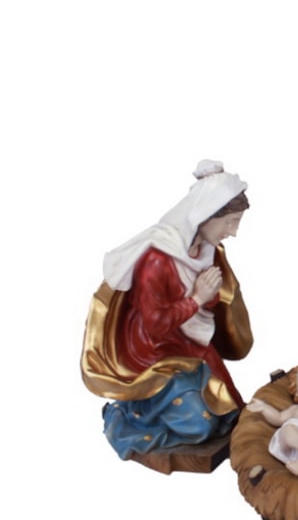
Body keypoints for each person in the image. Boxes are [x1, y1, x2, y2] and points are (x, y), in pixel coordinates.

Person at [81, 159, 253, 459]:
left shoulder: (208, 250)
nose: (233, 231)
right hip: (152, 352)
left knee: (228, 414)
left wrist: (207, 297)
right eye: (230, 222)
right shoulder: (157, 260)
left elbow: (215, 298)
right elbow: (155, 325)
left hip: (187, 341)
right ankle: (127, 415)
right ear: (205, 216)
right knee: (199, 427)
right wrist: (197, 299)